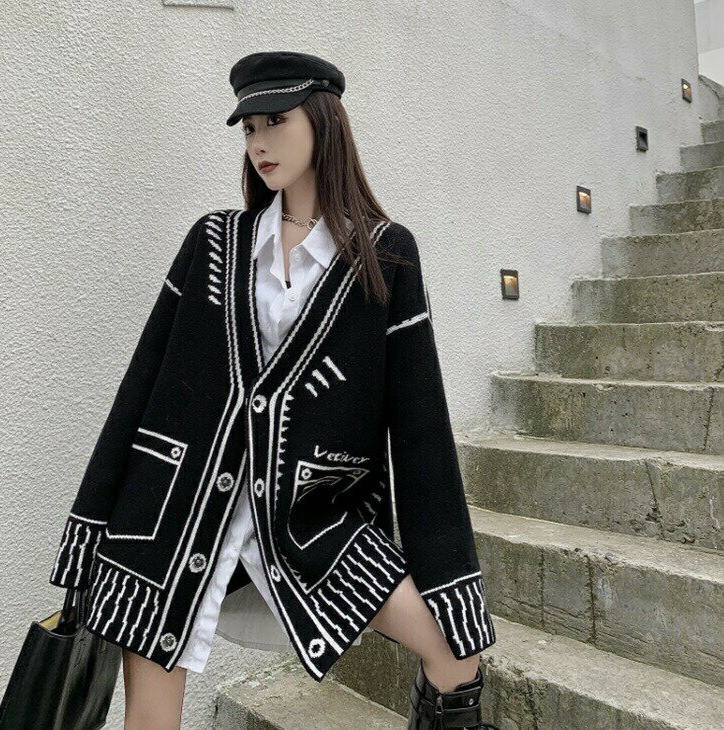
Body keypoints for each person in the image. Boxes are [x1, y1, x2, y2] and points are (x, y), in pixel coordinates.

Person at [48, 50, 498, 729]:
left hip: (312, 525)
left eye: (275, 121)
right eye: (249, 128)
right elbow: (139, 388)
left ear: (324, 121)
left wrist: (451, 578)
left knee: (455, 652)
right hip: (170, 516)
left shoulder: (385, 257)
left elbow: (421, 432)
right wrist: (89, 525)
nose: (259, 142)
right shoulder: (213, 242)